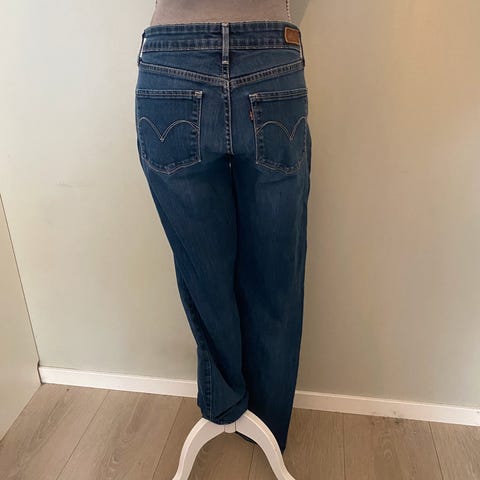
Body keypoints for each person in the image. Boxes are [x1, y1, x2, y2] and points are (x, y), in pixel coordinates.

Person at [134, 0, 311, 453]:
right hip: (269, 54)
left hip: (172, 62)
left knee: (204, 272)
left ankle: (228, 405)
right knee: (275, 276)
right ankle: (263, 424)